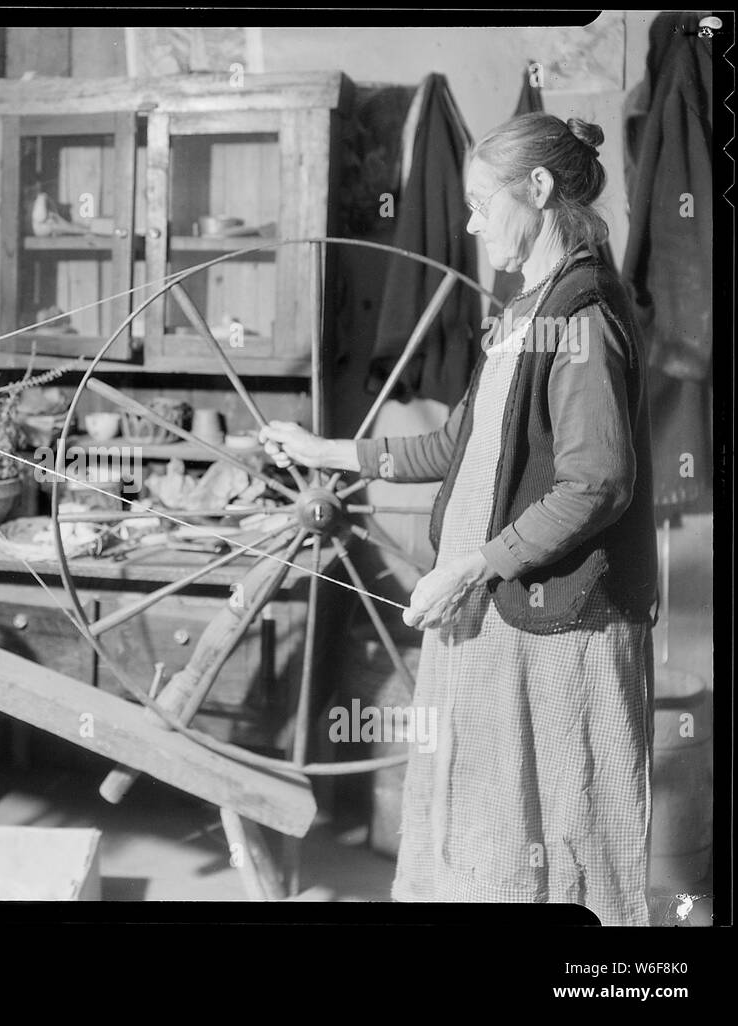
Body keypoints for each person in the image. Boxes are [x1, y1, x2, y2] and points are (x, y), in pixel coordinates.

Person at [260, 113, 658, 925]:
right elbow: (457, 444)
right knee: (491, 831)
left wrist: (471, 567)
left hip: (560, 630)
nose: (471, 222)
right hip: (498, 628)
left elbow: (597, 484)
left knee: (565, 828)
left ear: (539, 190)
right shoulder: (524, 310)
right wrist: (325, 450)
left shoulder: (580, 314)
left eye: (482, 203)